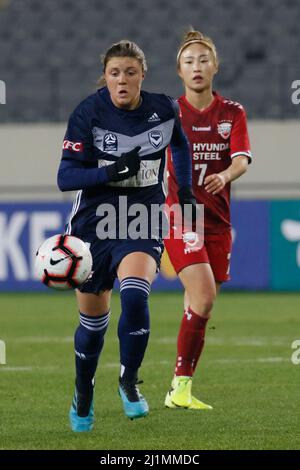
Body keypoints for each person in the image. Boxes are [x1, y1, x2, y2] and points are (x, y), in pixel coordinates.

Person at [57, 40, 196, 431]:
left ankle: (129, 381)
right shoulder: (88, 112)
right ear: (106, 76)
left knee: (135, 294)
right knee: (92, 325)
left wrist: (183, 189)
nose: (122, 80)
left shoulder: (164, 108)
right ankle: (83, 392)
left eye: (130, 73)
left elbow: (180, 146)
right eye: (115, 73)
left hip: (142, 216)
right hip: (94, 224)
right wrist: (109, 172)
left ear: (142, 76)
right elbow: (65, 177)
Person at [164, 29, 252, 409]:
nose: (196, 67)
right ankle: (180, 389)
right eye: (188, 62)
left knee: (201, 303)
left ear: (215, 66)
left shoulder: (232, 112)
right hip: (179, 216)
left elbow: (241, 159)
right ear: (179, 71)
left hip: (217, 221)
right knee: (204, 295)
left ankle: (178, 389)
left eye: (203, 60)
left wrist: (226, 175)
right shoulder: (167, 113)